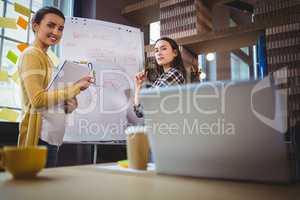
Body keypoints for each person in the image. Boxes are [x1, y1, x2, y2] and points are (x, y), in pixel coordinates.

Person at [18, 7, 93, 167]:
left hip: (51, 139)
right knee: (38, 191)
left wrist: (69, 103)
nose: (56, 32)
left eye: (60, 28)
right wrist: (75, 88)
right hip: (39, 140)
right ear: (35, 26)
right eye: (51, 25)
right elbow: (38, 100)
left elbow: (51, 100)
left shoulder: (47, 59)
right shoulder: (31, 54)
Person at [133, 37, 186, 117]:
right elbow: (139, 112)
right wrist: (138, 86)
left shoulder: (174, 74)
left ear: (175, 53)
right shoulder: (162, 77)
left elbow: (145, 108)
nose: (159, 53)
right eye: (156, 50)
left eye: (163, 49)